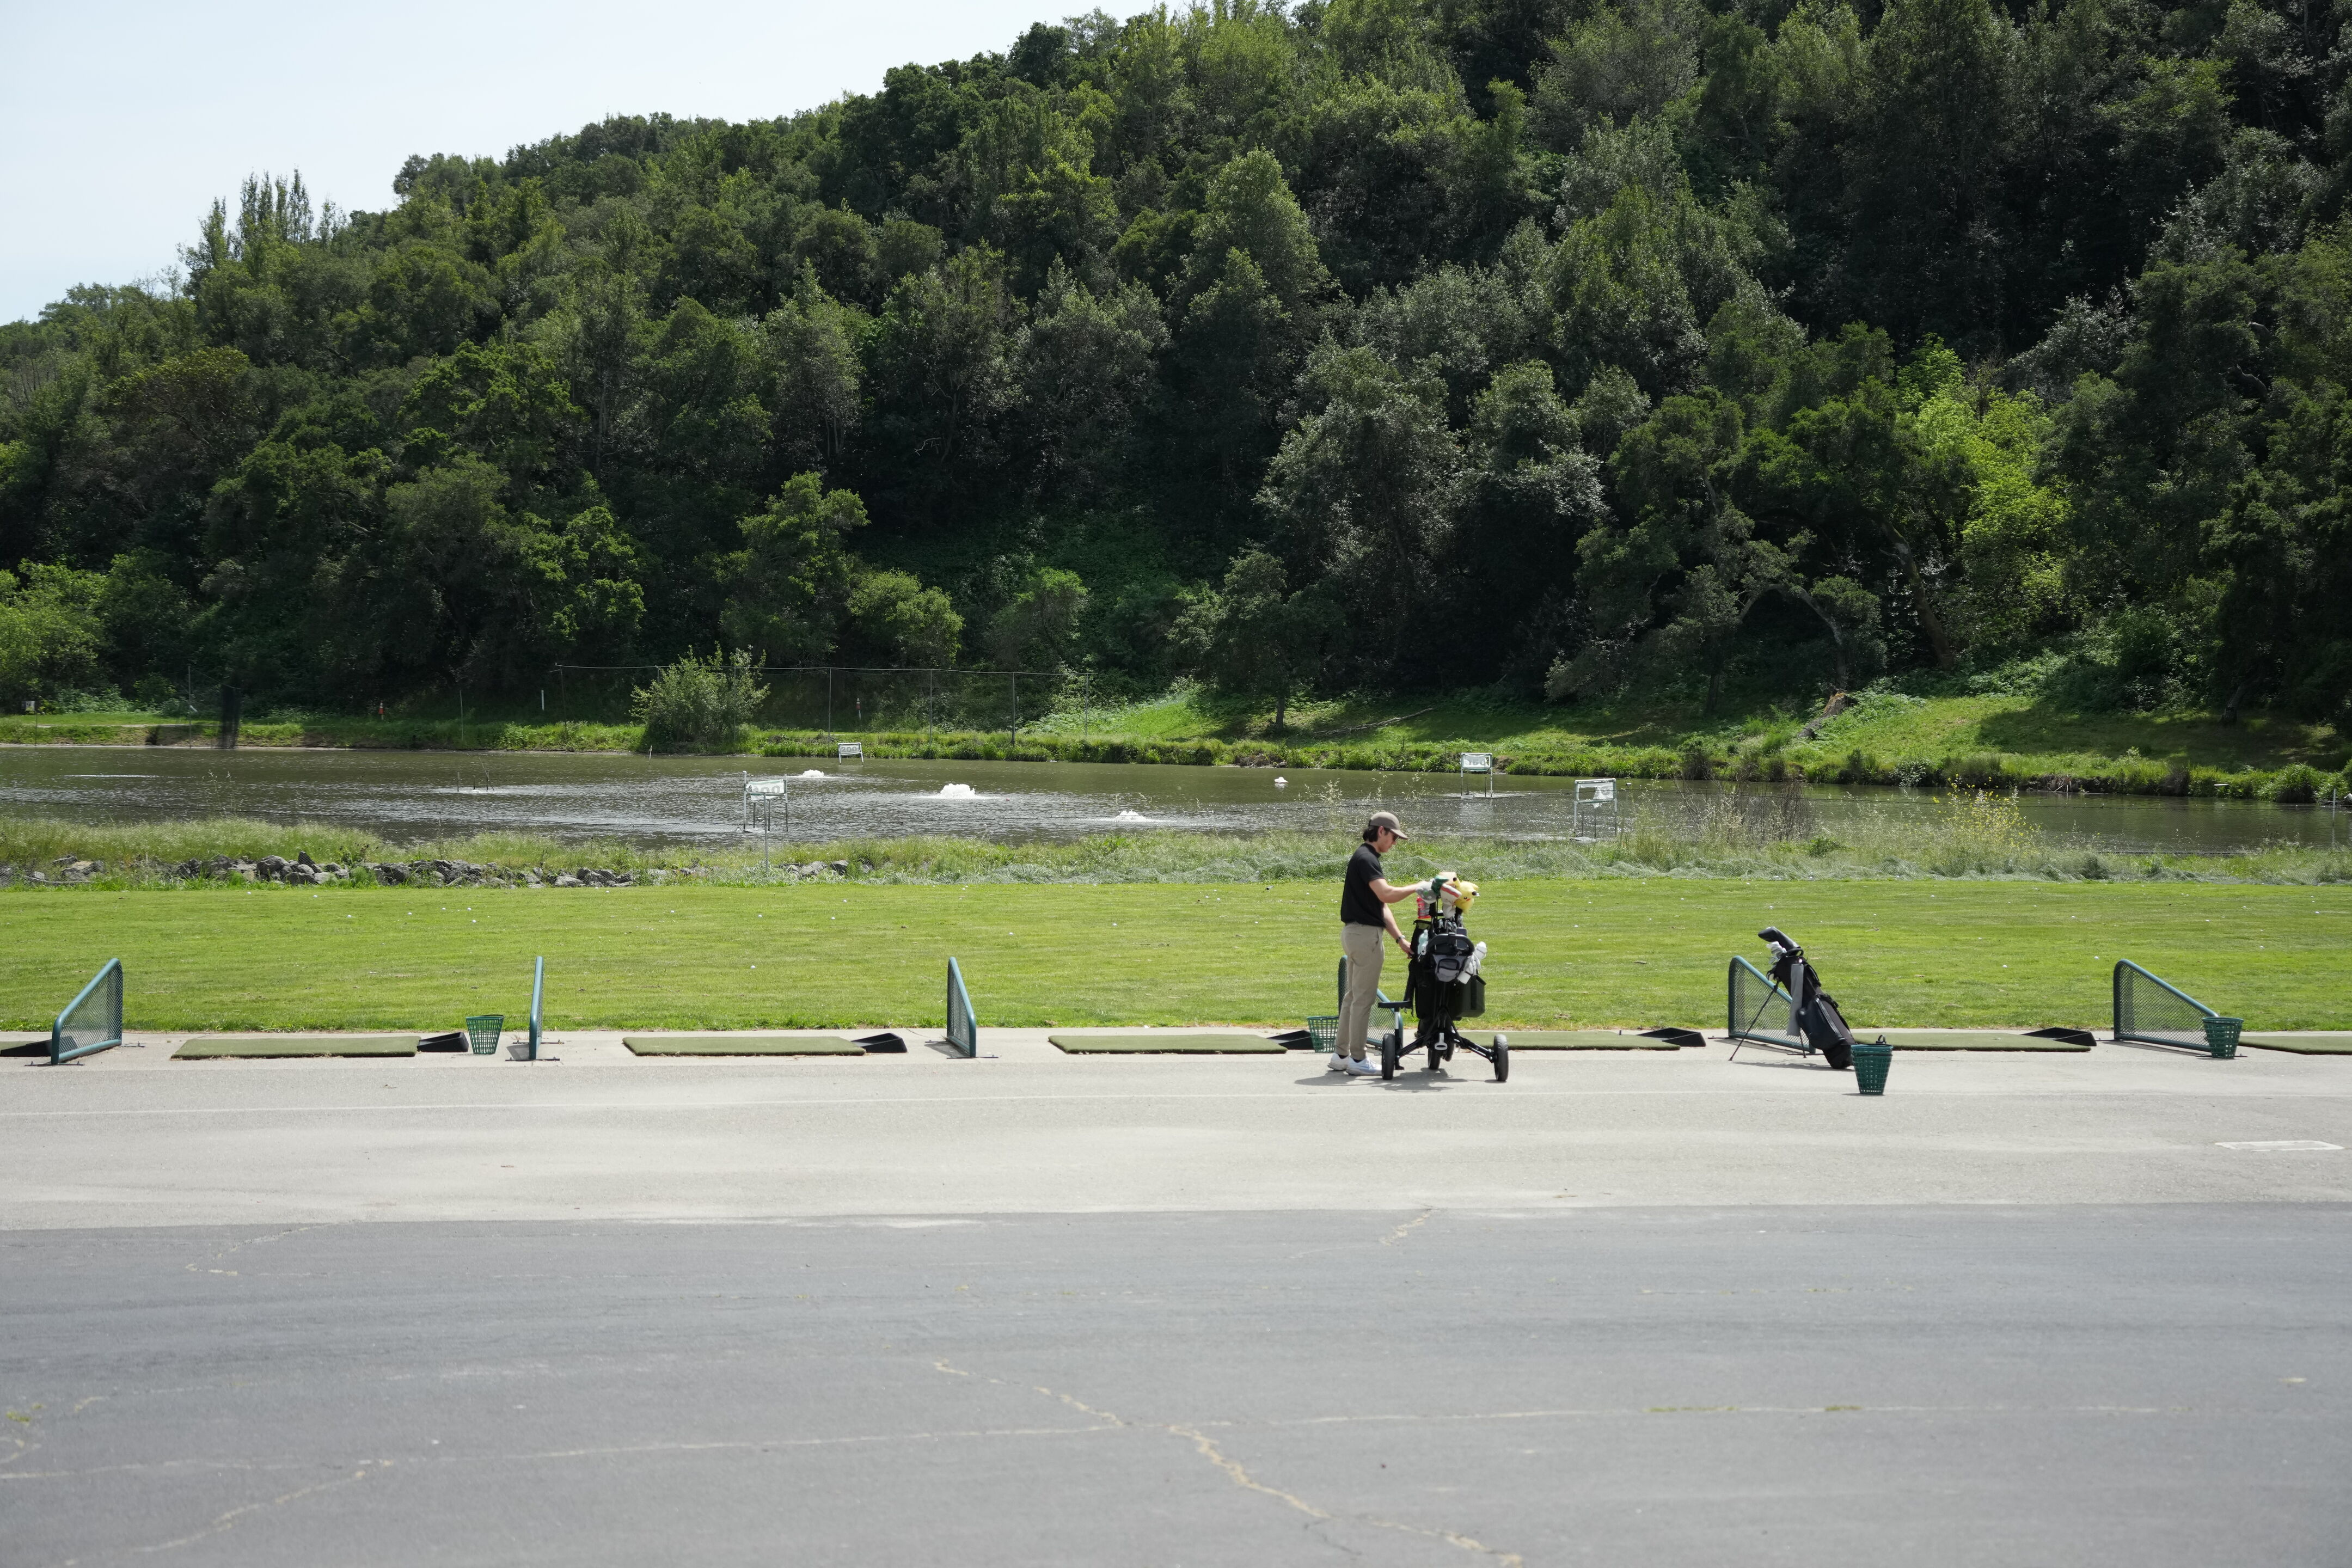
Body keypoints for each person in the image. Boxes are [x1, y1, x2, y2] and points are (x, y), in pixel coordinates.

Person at [1335, 811, 1423, 1075]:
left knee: (1353, 997)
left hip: (1355, 934)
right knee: (1363, 1000)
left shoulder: (1366, 857)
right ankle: (1359, 1060)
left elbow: (1380, 905)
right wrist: (1418, 886)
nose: (1394, 843)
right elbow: (1387, 894)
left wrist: (1400, 939)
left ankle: (1341, 1056)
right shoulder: (1367, 859)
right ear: (1381, 831)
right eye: (1394, 837)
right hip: (1365, 937)